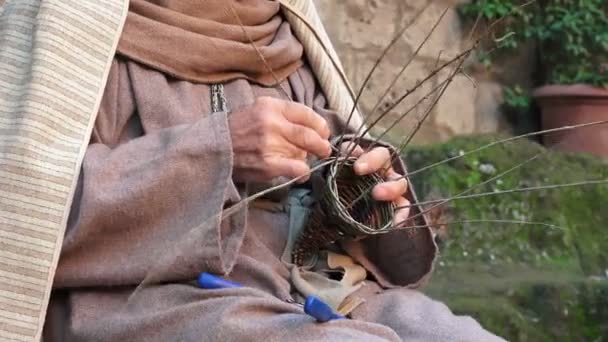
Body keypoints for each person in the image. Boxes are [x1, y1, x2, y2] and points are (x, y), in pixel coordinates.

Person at [1, 0, 503, 340]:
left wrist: (369, 192)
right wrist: (216, 150)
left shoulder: (284, 29)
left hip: (316, 291)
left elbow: (353, 225)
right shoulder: (63, 24)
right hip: (142, 302)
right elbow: (19, 208)